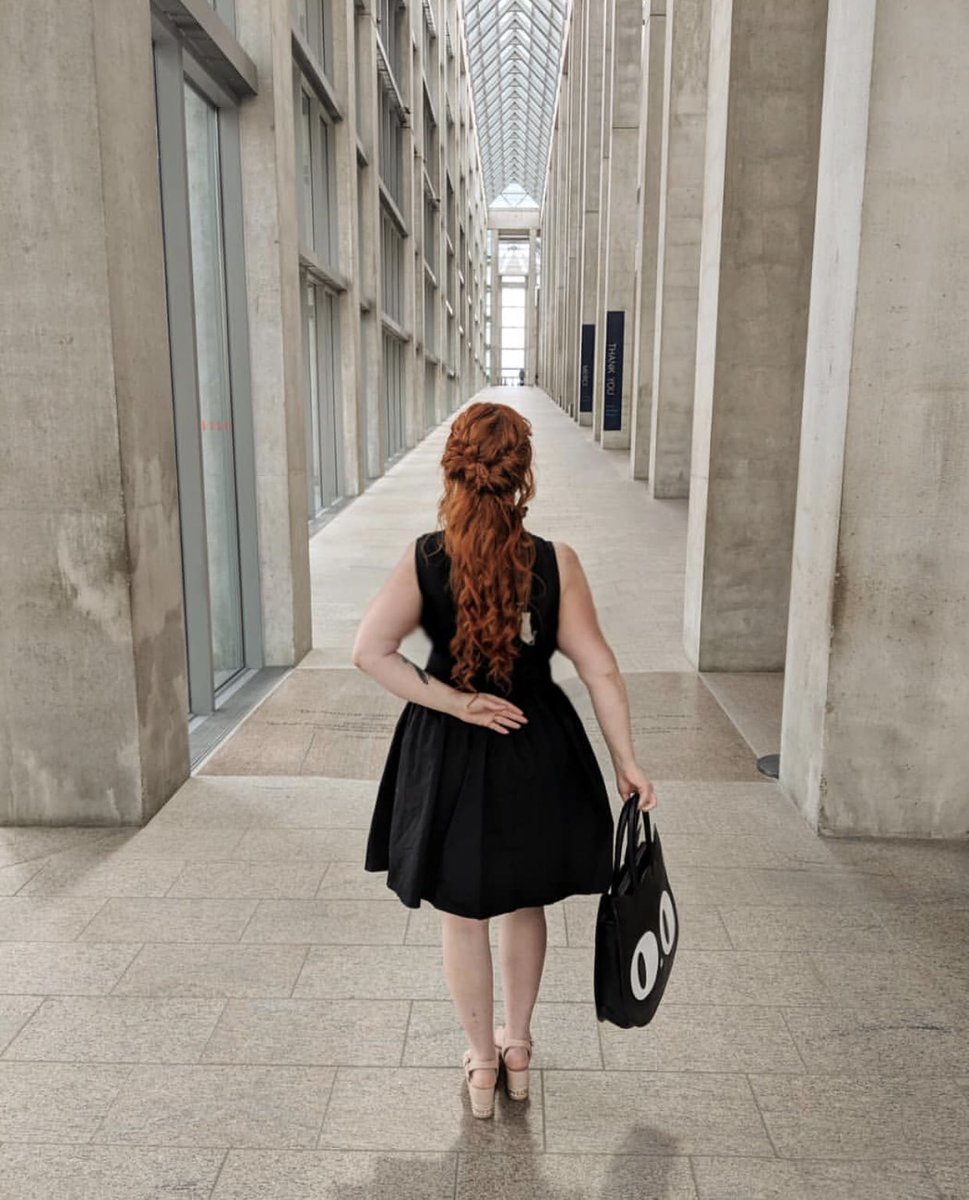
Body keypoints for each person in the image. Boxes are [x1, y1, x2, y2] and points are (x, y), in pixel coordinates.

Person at [351, 401, 657, 1119]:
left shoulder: (428, 557)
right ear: (523, 474)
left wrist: (456, 703)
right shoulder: (554, 561)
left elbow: (371, 652)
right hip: (536, 746)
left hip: (449, 754)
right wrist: (627, 762)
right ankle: (517, 1045)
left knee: (462, 915)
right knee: (526, 901)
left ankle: (481, 1066)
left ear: (453, 468)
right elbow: (600, 670)